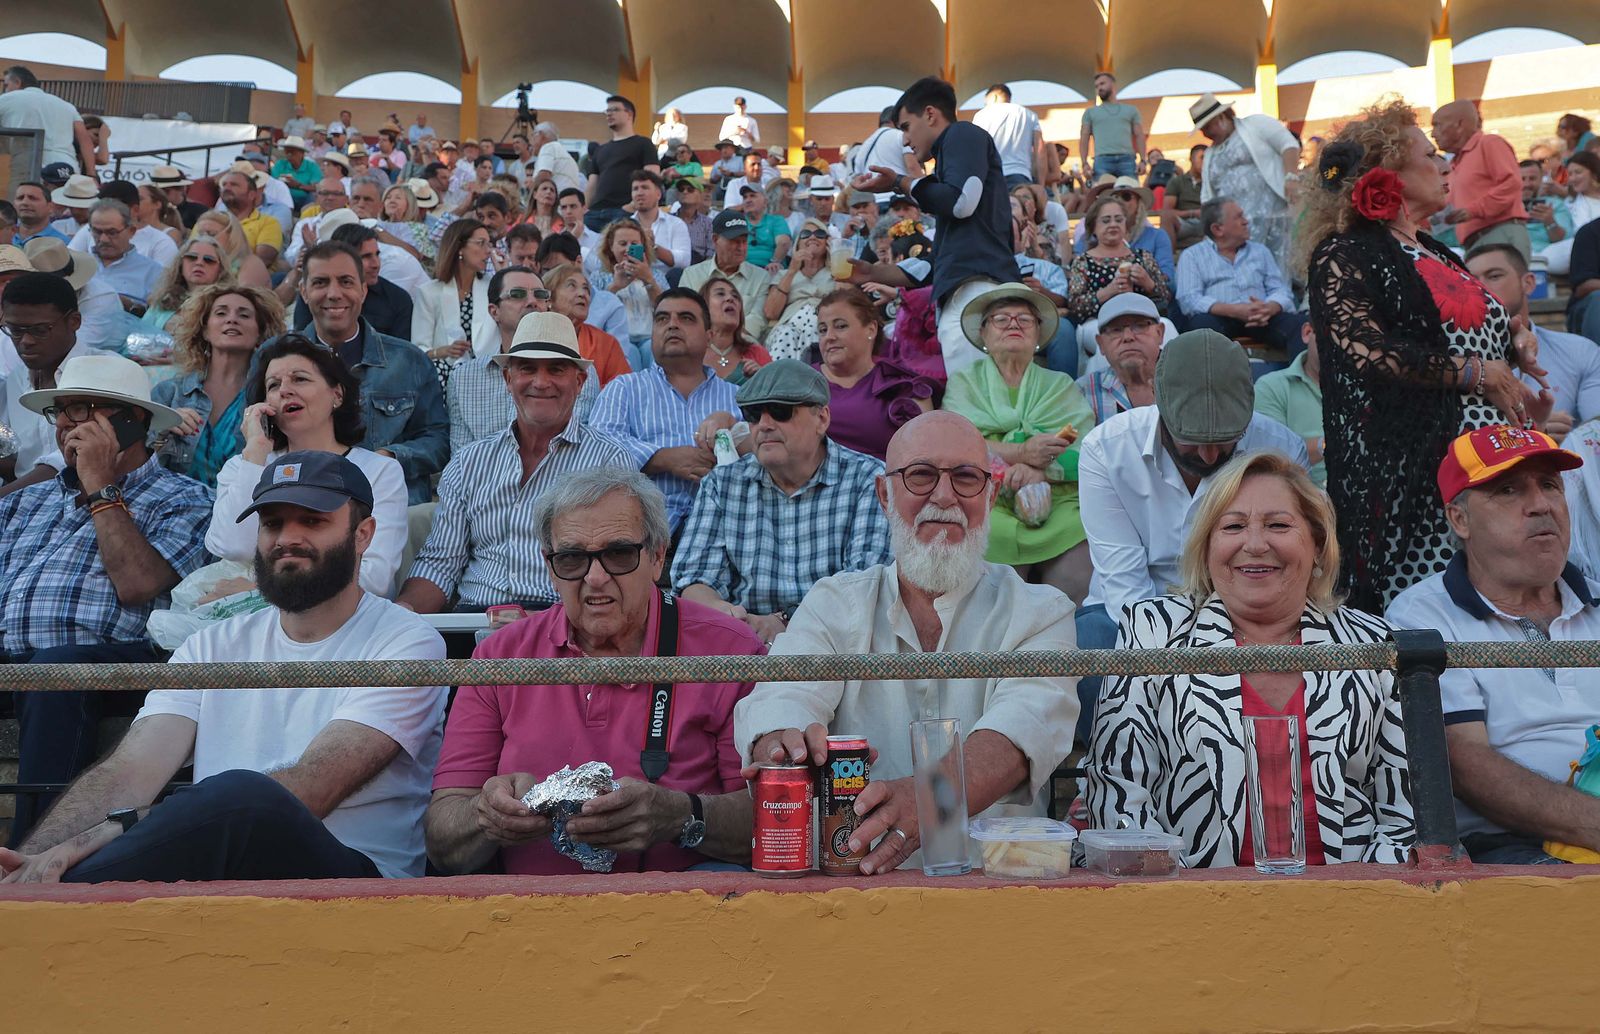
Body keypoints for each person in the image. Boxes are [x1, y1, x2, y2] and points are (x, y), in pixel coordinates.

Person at [0, 453, 449, 881]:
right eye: (272, 523)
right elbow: (128, 772)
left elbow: (310, 789)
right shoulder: (211, 642)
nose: (287, 538)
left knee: (247, 796)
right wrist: (35, 857)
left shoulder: (407, 640)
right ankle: (31, 897)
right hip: (216, 875)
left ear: (363, 534)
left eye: (312, 521)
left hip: (356, 885)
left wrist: (117, 828)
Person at [733, 411, 1077, 873]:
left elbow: (1017, 741)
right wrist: (783, 747)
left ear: (991, 495)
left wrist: (926, 799)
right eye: (920, 476)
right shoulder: (835, 603)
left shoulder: (1041, 612)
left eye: (966, 478)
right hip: (854, 895)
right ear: (883, 495)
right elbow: (785, 697)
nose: (944, 497)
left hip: (995, 894)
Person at [423, 467, 760, 875]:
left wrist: (680, 816)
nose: (595, 578)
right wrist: (486, 816)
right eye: (572, 558)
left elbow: (772, 825)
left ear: (657, 557)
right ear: (549, 567)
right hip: (525, 920)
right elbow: (442, 843)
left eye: (618, 554)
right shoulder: (499, 658)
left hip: (682, 919)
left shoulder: (731, 651)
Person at [1089, 451, 1416, 868]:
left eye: (1278, 525)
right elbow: (1118, 796)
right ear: (1207, 547)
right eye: (1233, 526)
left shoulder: (1373, 642)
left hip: (1352, 907)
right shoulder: (1151, 632)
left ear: (1317, 544)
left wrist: (1359, 907)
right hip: (1190, 908)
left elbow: (1406, 814)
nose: (1256, 544)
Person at [1300, 98, 1548, 612]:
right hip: (1421, 472)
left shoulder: (1440, 252)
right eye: (1428, 153)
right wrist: (1477, 371)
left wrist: (1517, 337)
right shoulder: (1346, 252)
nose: (1443, 164)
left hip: (1489, 459)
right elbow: (1367, 351)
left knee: (1500, 607)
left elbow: (1472, 328)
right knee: (1428, 611)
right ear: (1387, 170)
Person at [1, 352, 213, 845]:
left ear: (132, 420)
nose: (68, 426)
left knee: (57, 667)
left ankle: (32, 853)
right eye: (62, 412)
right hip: (17, 662)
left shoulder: (184, 497)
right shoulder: (23, 501)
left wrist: (101, 485)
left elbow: (138, 583)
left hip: (116, 663)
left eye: (84, 410)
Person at [1076, 329, 1308, 743]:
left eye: (1223, 442)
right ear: (1159, 404)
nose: (1207, 456)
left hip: (1246, 605)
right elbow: (1125, 588)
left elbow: (1284, 567)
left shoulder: (1281, 447)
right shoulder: (1105, 449)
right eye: (1192, 439)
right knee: (1093, 646)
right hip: (1132, 611)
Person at [1387, 425, 1600, 865]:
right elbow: (1465, 765)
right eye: (1508, 490)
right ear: (1459, 519)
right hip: (1512, 848)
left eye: (1549, 485)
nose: (1541, 504)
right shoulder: (1422, 617)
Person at [399, 308, 633, 619]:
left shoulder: (609, 460)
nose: (541, 382)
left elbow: (615, 568)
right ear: (509, 379)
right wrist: (402, 613)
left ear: (579, 382)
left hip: (565, 624)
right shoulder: (470, 462)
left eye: (556, 370)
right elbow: (441, 563)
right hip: (475, 622)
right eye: (527, 369)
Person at [673, 360, 890, 642]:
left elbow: (865, 587)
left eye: (780, 411)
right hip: (742, 647)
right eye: (752, 414)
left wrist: (787, 621)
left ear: (822, 419)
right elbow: (694, 578)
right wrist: (725, 615)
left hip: (839, 649)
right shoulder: (721, 484)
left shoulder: (868, 479)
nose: (764, 425)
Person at [208, 333, 408, 598]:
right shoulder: (244, 466)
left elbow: (374, 579)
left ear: (337, 394)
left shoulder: (379, 471)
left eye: (300, 379)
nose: (285, 390)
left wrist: (256, 593)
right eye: (273, 385)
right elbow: (233, 548)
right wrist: (255, 452)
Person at [853, 78, 1018, 379]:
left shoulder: (961, 133)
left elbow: (960, 202)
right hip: (971, 290)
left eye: (905, 126)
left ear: (930, 114)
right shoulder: (951, 160)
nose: (904, 140)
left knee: (977, 406)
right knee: (982, 405)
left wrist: (900, 183)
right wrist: (872, 272)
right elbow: (937, 262)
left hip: (976, 292)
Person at [944, 283, 1096, 603]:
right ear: (983, 334)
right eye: (1001, 319)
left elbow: (1085, 451)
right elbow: (956, 443)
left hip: (1059, 501)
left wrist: (1043, 472)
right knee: (991, 600)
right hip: (984, 501)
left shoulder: (1060, 385)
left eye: (1024, 320)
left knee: (1072, 584)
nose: (1014, 324)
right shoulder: (964, 383)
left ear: (1038, 335)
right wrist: (1022, 454)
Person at [289, 241, 449, 505]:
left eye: (346, 282)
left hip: (390, 504)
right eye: (320, 283)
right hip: (303, 504)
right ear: (304, 292)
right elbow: (254, 435)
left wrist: (390, 458)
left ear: (363, 290)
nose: (334, 293)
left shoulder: (409, 361)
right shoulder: (277, 359)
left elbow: (438, 440)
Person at [589, 289, 740, 535]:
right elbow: (596, 450)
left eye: (686, 318)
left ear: (709, 335)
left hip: (721, 535)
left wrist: (734, 428)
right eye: (662, 319)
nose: (672, 325)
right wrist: (661, 458)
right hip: (641, 540)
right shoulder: (625, 388)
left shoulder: (736, 398)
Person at [152, 283, 285, 486]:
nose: (231, 319)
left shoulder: (270, 396)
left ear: (260, 333)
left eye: (244, 315)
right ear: (205, 330)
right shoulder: (169, 392)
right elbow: (139, 464)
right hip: (173, 506)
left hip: (242, 508)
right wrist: (164, 427)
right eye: (221, 313)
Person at [1468, 242, 1600, 434]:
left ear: (1528, 283)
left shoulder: (1579, 350)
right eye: (1470, 280)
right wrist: (1529, 433)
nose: (1479, 287)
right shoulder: (1457, 362)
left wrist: (1555, 439)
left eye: (1494, 276)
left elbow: (1596, 428)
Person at [445, 267, 570, 449]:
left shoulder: (576, 372)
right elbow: (460, 461)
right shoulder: (463, 379)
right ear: (494, 311)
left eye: (540, 295)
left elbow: (575, 450)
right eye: (518, 294)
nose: (532, 302)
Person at [0, 270, 99, 497]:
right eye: (15, 330)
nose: (25, 341)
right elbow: (15, 457)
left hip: (83, 502)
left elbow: (69, 460)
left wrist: (5, 497)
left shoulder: (104, 373)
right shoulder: (15, 379)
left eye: (40, 330)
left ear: (74, 321)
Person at [812, 286, 935, 461]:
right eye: (823, 330)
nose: (829, 337)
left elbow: (926, 456)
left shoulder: (903, 385)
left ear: (871, 329)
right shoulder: (800, 383)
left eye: (840, 326)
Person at [1175, 197, 1306, 357]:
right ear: (1218, 229)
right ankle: (1215, 382)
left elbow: (1280, 289)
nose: (1246, 222)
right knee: (1201, 328)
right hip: (1219, 317)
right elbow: (1189, 299)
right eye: (1239, 217)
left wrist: (1270, 308)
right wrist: (1234, 310)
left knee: (1301, 327)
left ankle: (1302, 380)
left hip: (1261, 317)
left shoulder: (1260, 251)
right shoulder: (1193, 255)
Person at [1191, 93, 1301, 277]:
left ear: (1221, 117)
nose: (1205, 133)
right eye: (1202, 129)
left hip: (1272, 215)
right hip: (1236, 229)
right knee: (1248, 274)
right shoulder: (1210, 154)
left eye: (1207, 127)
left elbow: (1288, 144)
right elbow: (1207, 196)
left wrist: (1291, 177)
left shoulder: (1255, 125)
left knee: (1280, 269)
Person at [1431, 99, 1530, 261]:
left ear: (1459, 124)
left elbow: (1511, 184)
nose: (1433, 133)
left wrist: (1473, 210)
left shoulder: (1489, 143)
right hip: (1476, 243)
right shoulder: (1456, 162)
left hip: (1499, 235)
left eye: (1437, 125)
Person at [1065, 194, 1170, 326]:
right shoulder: (1083, 261)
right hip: (1098, 322)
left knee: (1167, 326)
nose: (1113, 224)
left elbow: (1166, 296)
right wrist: (1109, 291)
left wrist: (1147, 282)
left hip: (1143, 320)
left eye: (1119, 220)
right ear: (1094, 227)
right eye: (1106, 220)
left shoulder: (1143, 257)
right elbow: (1074, 305)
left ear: (1126, 225)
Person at [412, 218, 494, 384]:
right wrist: (443, 351)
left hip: (485, 371)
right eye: (481, 243)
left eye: (489, 244)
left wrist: (502, 276)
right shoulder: (429, 292)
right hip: (446, 372)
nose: (488, 251)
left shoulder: (492, 288)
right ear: (460, 247)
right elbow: (418, 350)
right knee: (439, 370)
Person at [678, 210, 772, 341]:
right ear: (715, 240)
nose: (741, 247)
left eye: (744, 241)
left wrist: (725, 340)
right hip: (702, 344)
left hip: (744, 345)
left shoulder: (761, 277)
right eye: (734, 241)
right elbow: (687, 315)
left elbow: (757, 320)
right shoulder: (692, 275)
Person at [1253, 323, 1326, 486]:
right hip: (1302, 501)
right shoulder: (1271, 387)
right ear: (1307, 332)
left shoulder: (1367, 386)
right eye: (1330, 333)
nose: (1340, 343)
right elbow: (1269, 461)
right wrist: (1328, 443)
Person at [593, 218, 668, 370]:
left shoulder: (656, 275)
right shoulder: (599, 277)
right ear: (611, 248)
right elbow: (593, 314)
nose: (628, 249)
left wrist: (648, 279)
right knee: (628, 351)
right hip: (618, 339)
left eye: (634, 244)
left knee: (654, 349)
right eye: (622, 244)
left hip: (651, 337)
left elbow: (668, 307)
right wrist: (615, 286)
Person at [1077, 293, 1165, 423]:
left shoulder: (1189, 382)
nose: (1128, 337)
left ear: (1160, 333)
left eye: (1140, 325)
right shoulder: (1082, 393)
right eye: (1115, 330)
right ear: (1100, 343)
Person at [543, 260, 633, 385]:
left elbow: (622, 389)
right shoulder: (533, 335)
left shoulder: (606, 343)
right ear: (549, 299)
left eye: (586, 289)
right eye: (571, 286)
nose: (582, 294)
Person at [761, 219, 835, 362]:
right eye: (806, 234)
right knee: (786, 332)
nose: (812, 237)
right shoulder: (784, 274)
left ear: (827, 243)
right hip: (788, 330)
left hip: (824, 327)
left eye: (819, 234)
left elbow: (847, 301)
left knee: (814, 327)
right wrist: (792, 270)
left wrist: (837, 260)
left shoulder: (836, 273)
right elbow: (771, 312)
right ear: (797, 244)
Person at [0, 65, 94, 173]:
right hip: (66, 165)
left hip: (29, 163)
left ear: (17, 82)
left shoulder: (6, 99)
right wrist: (92, 174)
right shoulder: (67, 105)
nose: (5, 90)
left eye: (6, 85)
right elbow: (85, 140)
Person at [586, 97, 660, 232]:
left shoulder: (643, 144)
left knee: (628, 252)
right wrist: (584, 210)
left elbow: (652, 178)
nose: (609, 114)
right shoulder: (600, 150)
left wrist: (632, 206)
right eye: (607, 111)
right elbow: (592, 185)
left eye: (614, 110)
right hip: (594, 215)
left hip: (624, 212)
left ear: (629, 114)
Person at [139, 234, 230, 332]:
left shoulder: (226, 305)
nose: (199, 263)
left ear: (220, 270)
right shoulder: (164, 299)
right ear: (180, 264)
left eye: (208, 260)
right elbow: (141, 333)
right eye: (192, 257)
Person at [699, 274, 771, 383]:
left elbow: (775, 393)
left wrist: (762, 378)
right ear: (703, 307)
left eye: (735, 296)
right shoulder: (691, 353)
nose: (730, 299)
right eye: (720, 294)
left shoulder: (756, 352)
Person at [973, 84, 1046, 189]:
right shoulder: (1029, 115)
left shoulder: (980, 115)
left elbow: (976, 149)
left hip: (991, 177)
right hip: (1021, 175)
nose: (985, 105)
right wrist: (1041, 186)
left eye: (985, 102)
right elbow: (1040, 152)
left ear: (994, 97)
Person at [1079, 72, 1145, 180]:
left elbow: (1139, 135)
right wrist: (1084, 163)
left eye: (1102, 84)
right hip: (1102, 160)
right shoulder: (1090, 112)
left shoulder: (1131, 110)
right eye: (1096, 86)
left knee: (1130, 194)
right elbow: (1084, 138)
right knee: (1103, 194)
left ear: (1113, 85)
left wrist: (1143, 160)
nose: (1099, 88)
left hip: (1127, 159)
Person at [215, 168, 284, 267]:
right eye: (224, 184)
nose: (227, 188)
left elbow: (262, 260)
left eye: (234, 185)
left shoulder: (268, 223)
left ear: (251, 195)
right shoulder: (210, 220)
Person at [191, 209, 272, 289]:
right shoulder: (195, 262)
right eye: (200, 235)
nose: (205, 240)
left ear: (231, 237)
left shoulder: (250, 264)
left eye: (211, 234)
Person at [1521, 159, 1573, 258]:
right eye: (1522, 179)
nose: (1527, 184)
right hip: (1515, 254)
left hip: (1548, 254)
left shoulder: (1555, 204)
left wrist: (1549, 221)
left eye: (1532, 178)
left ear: (1541, 179)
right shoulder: (1508, 205)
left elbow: (1562, 241)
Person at [740, 183, 792, 272]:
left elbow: (784, 243)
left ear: (765, 202)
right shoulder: (739, 222)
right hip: (743, 269)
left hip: (770, 269)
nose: (748, 200)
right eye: (745, 197)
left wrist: (774, 262)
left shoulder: (776, 220)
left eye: (752, 196)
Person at [529, 121, 584, 195]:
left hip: (554, 203)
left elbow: (544, 176)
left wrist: (532, 187)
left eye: (533, 135)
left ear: (541, 135)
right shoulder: (565, 155)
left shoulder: (548, 147)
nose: (531, 141)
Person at [672, 176, 714, 265]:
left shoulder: (708, 223)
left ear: (700, 195)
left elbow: (711, 254)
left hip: (699, 269)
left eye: (690, 189)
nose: (685, 192)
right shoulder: (667, 220)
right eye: (681, 189)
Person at [271, 136, 322, 210]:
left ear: (302, 153)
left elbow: (316, 187)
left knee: (313, 195)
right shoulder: (280, 164)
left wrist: (298, 185)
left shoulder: (312, 166)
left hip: (305, 200)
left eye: (292, 152)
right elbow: (273, 182)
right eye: (287, 151)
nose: (289, 155)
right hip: (284, 198)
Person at [12, 181, 69, 247]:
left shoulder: (62, 244)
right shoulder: (3, 235)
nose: (25, 202)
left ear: (50, 207)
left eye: (32, 198)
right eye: (20, 198)